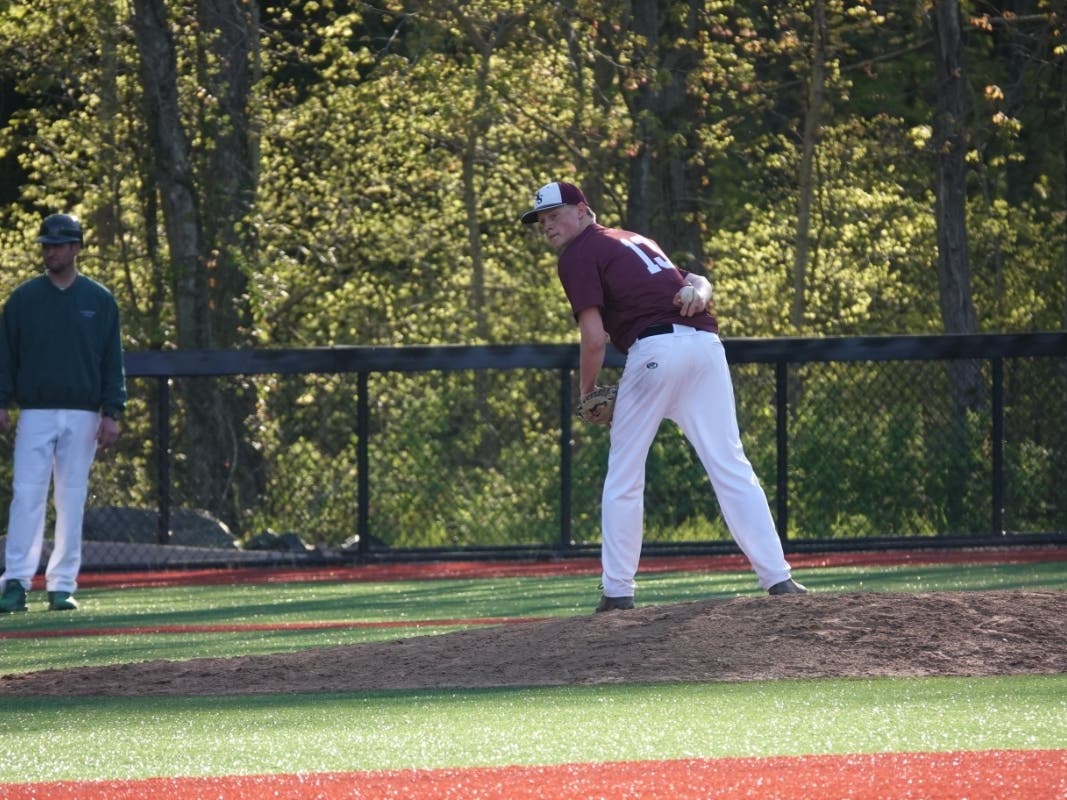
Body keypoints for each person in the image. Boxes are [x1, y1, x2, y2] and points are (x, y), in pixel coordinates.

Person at [521, 181, 806, 612]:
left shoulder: (578, 254)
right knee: (730, 464)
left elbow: (594, 338)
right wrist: (703, 287)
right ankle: (778, 578)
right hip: (706, 349)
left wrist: (587, 392)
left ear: (583, 211)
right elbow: (691, 281)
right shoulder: (634, 239)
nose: (548, 226)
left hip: (655, 351)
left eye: (555, 215)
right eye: (542, 220)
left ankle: (617, 592)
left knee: (624, 474)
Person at [0, 213, 126, 613]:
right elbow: (5, 356)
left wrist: (113, 411)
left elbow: (112, 360)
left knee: (71, 499)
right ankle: (16, 582)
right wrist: (1, 402)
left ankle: (62, 584)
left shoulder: (99, 300)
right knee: (26, 496)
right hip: (35, 410)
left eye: (57, 244)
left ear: (75, 248)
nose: (50, 251)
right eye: (46, 245)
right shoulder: (22, 300)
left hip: (83, 412)